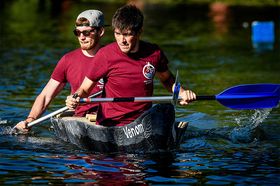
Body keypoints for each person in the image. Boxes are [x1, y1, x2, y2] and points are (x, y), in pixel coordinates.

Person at [66, 5, 196, 126]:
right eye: (117, 34)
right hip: (111, 124)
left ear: (139, 32)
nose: (121, 40)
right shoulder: (105, 55)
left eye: (127, 34)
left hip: (142, 122)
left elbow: (167, 79)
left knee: (166, 111)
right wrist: (75, 97)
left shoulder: (154, 53)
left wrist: (182, 93)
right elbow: (84, 89)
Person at [15, 9, 106, 132]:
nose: (81, 37)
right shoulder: (68, 60)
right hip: (80, 120)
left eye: (86, 32)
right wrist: (30, 120)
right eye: (77, 33)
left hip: (109, 118)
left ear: (100, 31)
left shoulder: (112, 57)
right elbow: (46, 96)